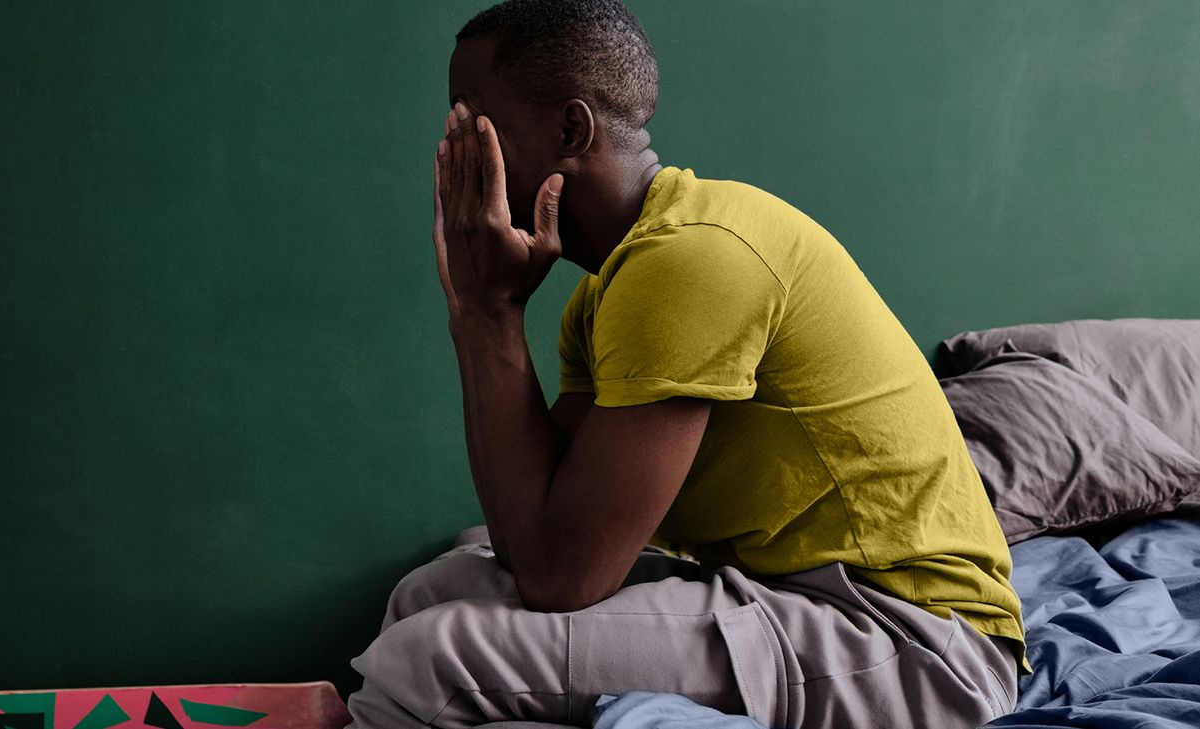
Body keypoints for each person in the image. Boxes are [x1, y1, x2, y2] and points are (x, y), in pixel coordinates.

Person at [345, 1, 1028, 727]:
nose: (451, 153)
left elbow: (561, 575)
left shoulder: (692, 259)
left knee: (431, 657)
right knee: (430, 592)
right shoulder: (610, 289)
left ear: (569, 130)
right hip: (782, 597)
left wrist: (487, 315)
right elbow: (530, 541)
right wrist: (482, 313)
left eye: (468, 121)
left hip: (916, 642)